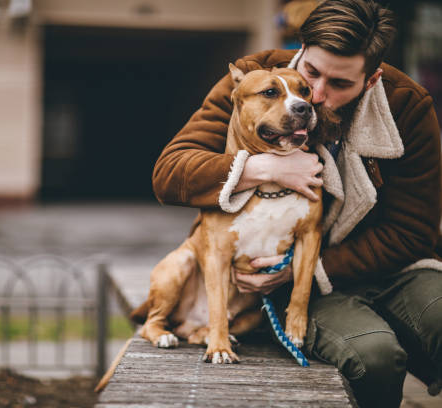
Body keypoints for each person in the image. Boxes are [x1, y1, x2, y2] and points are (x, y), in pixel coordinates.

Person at [151, 0, 442, 407]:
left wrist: (301, 271)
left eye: (339, 84)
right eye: (311, 74)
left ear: (372, 79)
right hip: (300, 285)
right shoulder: (256, 76)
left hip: (386, 268)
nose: (316, 98)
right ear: (300, 50)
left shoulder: (408, 106)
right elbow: (170, 171)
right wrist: (260, 168)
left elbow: (414, 233)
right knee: (375, 356)